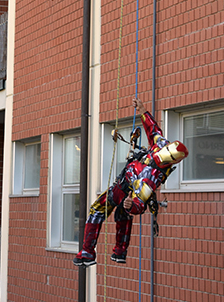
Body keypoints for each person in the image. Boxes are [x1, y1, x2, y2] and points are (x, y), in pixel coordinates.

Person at [74, 97, 188, 267]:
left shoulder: (151, 178)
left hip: (124, 188)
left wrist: (131, 205)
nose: (163, 152)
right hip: (125, 184)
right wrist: (142, 111)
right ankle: (119, 252)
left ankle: (87, 252)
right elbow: (153, 130)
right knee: (122, 215)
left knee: (99, 209)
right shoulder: (160, 146)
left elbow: (140, 204)